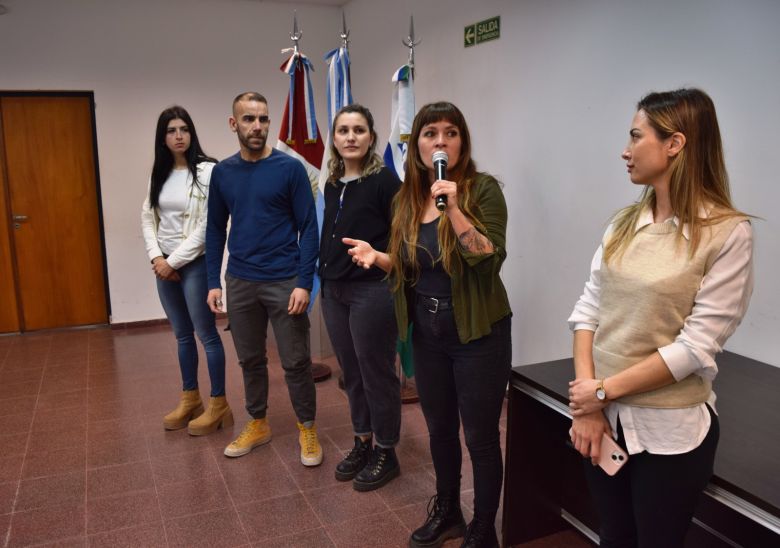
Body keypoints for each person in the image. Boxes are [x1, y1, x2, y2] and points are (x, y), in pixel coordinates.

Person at [567, 88, 753, 548]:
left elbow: (694, 348)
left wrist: (601, 391)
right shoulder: (625, 223)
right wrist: (591, 406)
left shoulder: (727, 233)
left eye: (636, 136)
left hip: (669, 433)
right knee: (613, 536)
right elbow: (589, 308)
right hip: (604, 421)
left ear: (675, 144)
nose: (625, 151)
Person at [344, 102, 511, 548]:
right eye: (430, 133)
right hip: (429, 331)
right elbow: (411, 266)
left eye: (450, 133)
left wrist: (454, 209)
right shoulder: (406, 200)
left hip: (477, 333)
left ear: (463, 141)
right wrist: (378, 257)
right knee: (439, 429)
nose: (440, 142)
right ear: (416, 144)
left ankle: (483, 527)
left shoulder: (482, 190)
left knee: (479, 435)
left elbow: (488, 258)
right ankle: (449, 509)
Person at [205, 92, 322, 466]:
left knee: (295, 361)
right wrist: (212, 282)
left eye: (263, 119)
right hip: (240, 281)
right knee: (250, 360)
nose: (257, 126)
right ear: (233, 123)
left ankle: (307, 427)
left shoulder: (289, 169)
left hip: (284, 280)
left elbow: (309, 227)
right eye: (249, 119)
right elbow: (213, 231)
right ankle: (257, 422)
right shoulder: (223, 173)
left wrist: (304, 282)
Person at [319, 104, 402, 490]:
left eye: (359, 130)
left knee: (376, 373)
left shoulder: (385, 182)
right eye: (343, 131)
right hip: (333, 290)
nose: (350, 137)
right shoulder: (333, 183)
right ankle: (363, 440)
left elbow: (402, 239)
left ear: (371, 137)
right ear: (334, 139)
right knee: (350, 373)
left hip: (371, 290)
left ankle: (386, 450)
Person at [141, 105, 232, 435]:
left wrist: (172, 262)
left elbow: (210, 224)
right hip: (163, 266)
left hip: (191, 265)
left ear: (191, 134)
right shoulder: (159, 173)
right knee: (181, 335)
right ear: (162, 139)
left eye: (183, 129)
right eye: (170, 131)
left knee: (206, 335)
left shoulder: (209, 171)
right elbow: (148, 218)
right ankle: (190, 398)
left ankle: (218, 403)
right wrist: (156, 258)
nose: (178, 136)